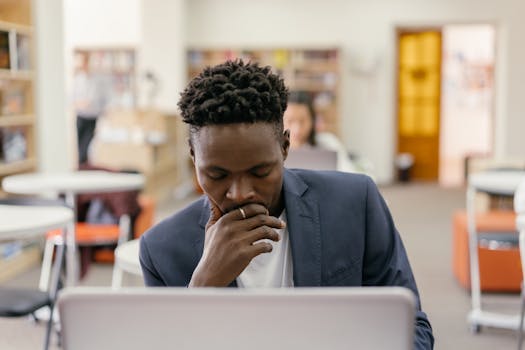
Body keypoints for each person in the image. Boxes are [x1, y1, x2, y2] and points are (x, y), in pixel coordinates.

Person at [139, 60, 434, 349]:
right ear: (193, 156)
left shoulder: (356, 202)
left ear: (285, 147)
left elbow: (412, 328)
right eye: (217, 175)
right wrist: (203, 286)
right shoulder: (162, 250)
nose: (240, 193)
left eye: (259, 172)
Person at [283, 90, 357, 173]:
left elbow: (349, 174)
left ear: (313, 120)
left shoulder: (329, 143)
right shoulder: (273, 150)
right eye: (290, 121)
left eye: (302, 121)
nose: (297, 129)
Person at [73, 53, 109, 165]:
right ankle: (81, 165)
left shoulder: (97, 80)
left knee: (88, 143)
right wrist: (80, 103)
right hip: (81, 115)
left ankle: (85, 164)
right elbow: (72, 98)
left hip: (93, 116)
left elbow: (102, 98)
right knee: (80, 144)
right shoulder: (78, 79)